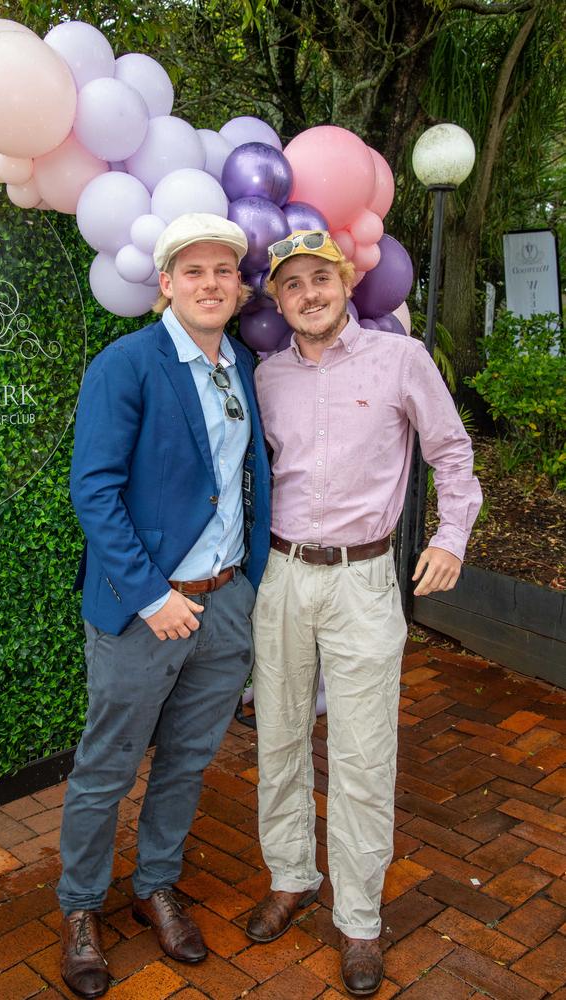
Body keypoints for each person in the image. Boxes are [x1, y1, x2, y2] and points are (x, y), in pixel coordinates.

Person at [245, 230, 482, 997]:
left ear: (345, 282)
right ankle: (291, 876)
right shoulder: (265, 375)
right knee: (278, 735)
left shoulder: (400, 360)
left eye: (320, 278)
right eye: (292, 285)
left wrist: (451, 537)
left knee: (362, 756)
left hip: (365, 580)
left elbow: (451, 452)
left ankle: (359, 920)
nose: (308, 294)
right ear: (277, 300)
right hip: (282, 576)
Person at [58, 213, 270, 999]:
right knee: (106, 767)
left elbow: (243, 482)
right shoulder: (128, 363)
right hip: (147, 607)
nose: (211, 283)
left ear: (239, 287)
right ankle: (79, 907)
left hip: (223, 605)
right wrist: (152, 596)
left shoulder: (242, 363)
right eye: (194, 271)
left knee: (185, 761)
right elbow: (94, 490)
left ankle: (155, 885)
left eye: (224, 271)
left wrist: (243, 584)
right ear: (165, 287)